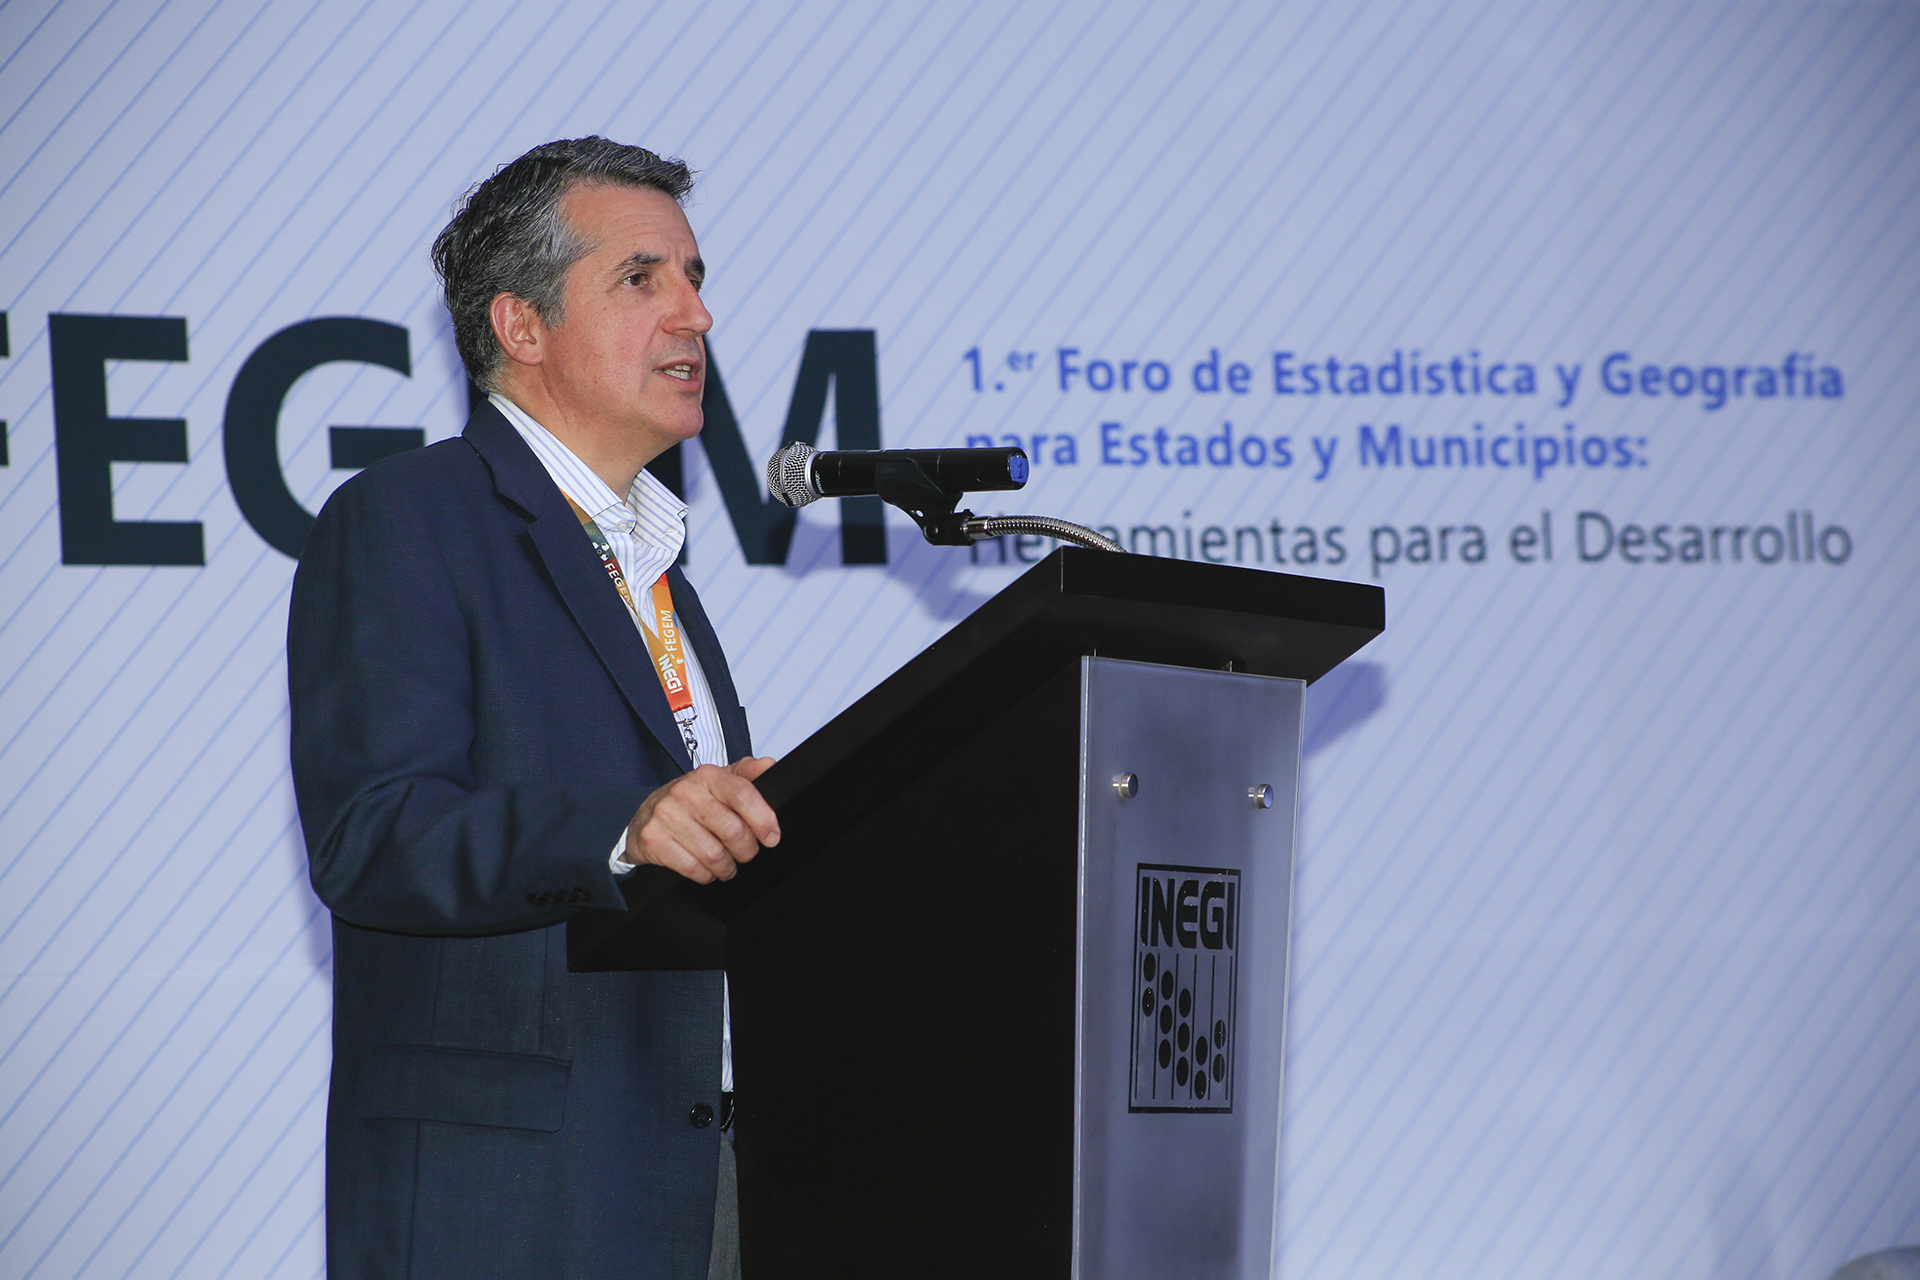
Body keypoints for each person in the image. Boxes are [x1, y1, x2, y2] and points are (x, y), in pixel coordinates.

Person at [288, 137, 778, 1280]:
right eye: (642, 278)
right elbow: (375, 833)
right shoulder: (408, 519)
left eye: (695, 276)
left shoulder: (655, 566)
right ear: (521, 325)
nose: (696, 314)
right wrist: (622, 829)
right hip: (515, 1195)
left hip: (703, 1179)